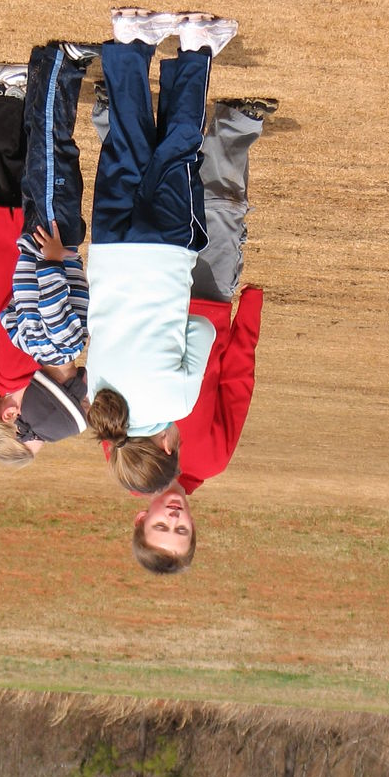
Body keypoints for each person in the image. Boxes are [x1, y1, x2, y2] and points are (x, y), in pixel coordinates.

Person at [92, 93, 273, 572]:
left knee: (140, 209)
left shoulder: (122, 446)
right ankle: (235, 125)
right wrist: (247, 316)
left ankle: (114, 114)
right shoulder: (211, 461)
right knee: (219, 212)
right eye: (183, 531)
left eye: (160, 528)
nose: (174, 518)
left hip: (147, 298)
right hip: (207, 306)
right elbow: (237, 385)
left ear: (139, 517)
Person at [85, 8, 238, 495]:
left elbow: (201, 328)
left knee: (178, 151)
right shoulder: (100, 400)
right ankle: (130, 41)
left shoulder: (176, 404)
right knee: (125, 146)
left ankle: (196, 46)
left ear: (169, 447)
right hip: (109, 251)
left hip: (167, 254)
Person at [0, 55, 91, 466]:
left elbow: (26, 307)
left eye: (31, 433)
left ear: (12, 415)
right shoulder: (9, 374)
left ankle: (8, 91)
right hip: (11, 252)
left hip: (20, 252)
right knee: (14, 177)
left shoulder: (17, 371)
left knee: (15, 173)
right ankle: (19, 91)